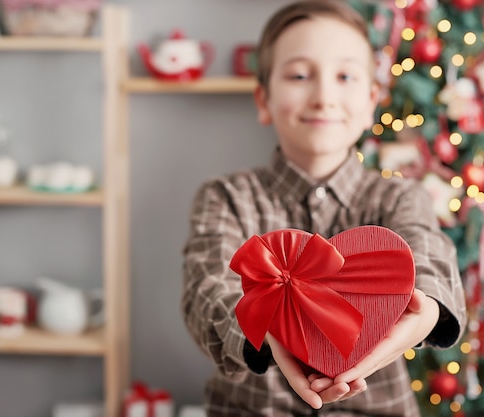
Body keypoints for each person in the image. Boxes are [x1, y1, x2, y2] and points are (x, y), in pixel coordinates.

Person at [182, 0, 466, 415]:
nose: (323, 96)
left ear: (371, 101)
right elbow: (205, 290)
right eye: (299, 75)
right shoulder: (226, 197)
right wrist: (267, 330)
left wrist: (424, 310)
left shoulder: (401, 198)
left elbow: (428, 255)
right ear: (263, 99)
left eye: (345, 76)